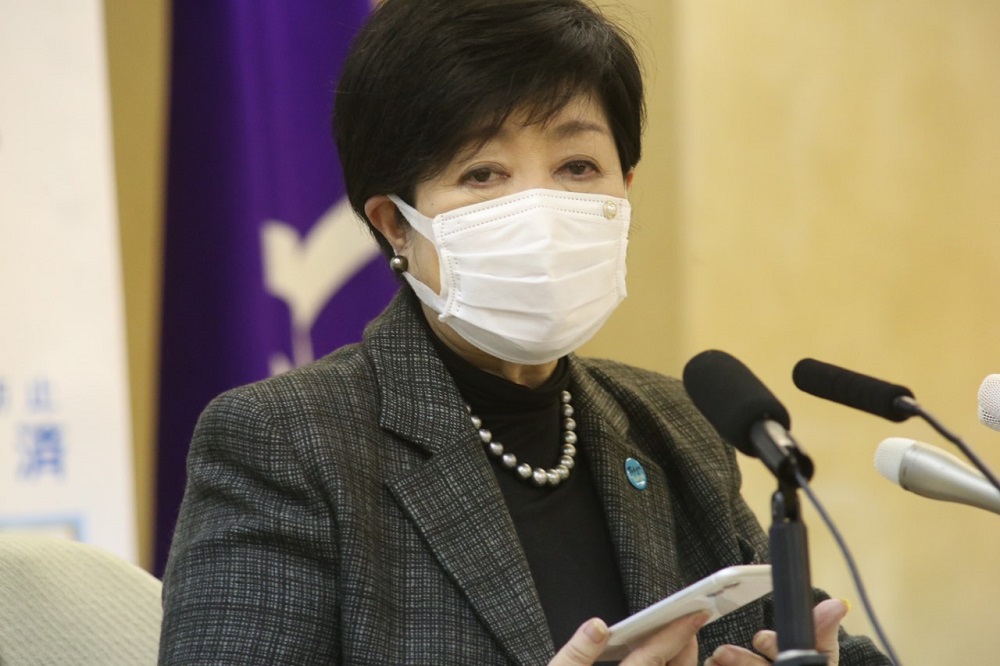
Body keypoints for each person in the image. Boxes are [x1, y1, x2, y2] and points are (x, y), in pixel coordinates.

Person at [158, 1, 891, 664]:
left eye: (577, 166)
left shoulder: (675, 427)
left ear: (625, 192)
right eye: (483, 174)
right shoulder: (284, 443)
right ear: (394, 226)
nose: (540, 209)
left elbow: (827, 644)